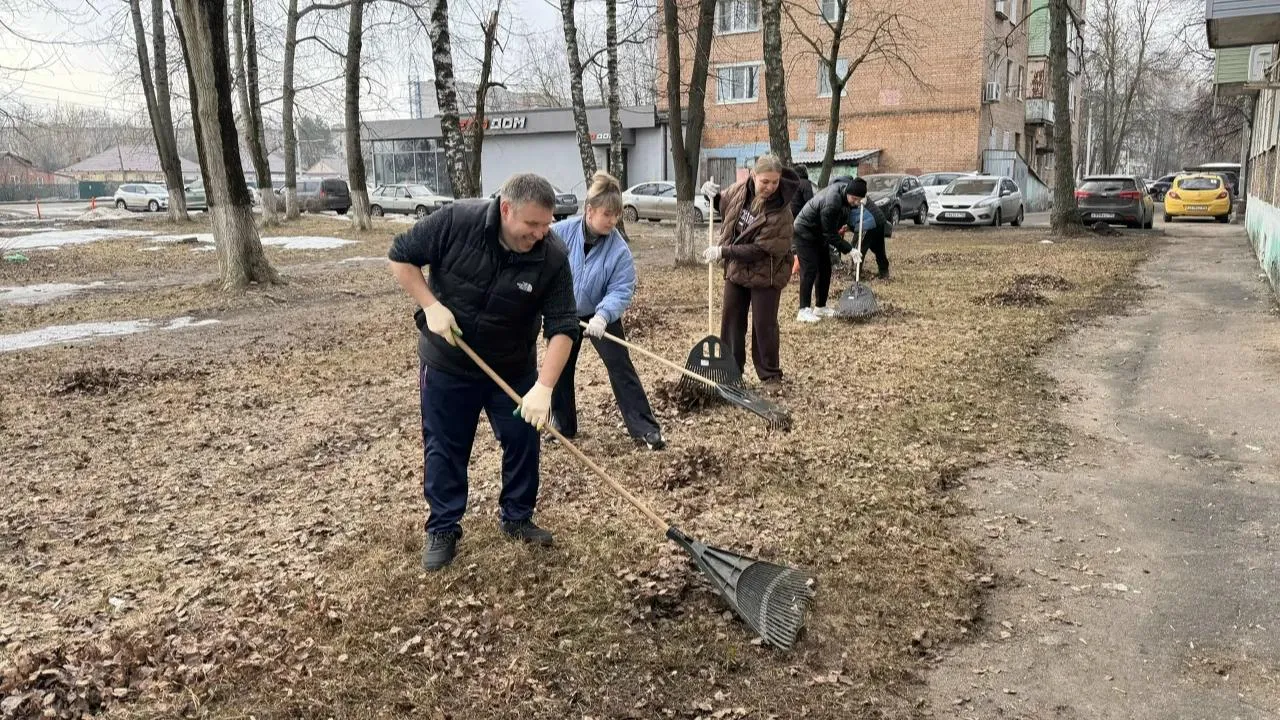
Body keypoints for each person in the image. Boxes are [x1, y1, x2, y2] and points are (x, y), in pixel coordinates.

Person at [389, 173, 579, 572]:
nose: (541, 234)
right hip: (447, 361)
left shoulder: (552, 257)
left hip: (511, 366)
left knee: (523, 438)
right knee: (445, 445)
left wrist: (544, 388)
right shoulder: (458, 221)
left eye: (547, 224)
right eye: (532, 225)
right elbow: (400, 254)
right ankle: (443, 526)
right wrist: (430, 305)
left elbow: (563, 327)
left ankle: (517, 517)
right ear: (506, 209)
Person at [549, 172, 666, 451]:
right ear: (589, 211)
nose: (613, 221)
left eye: (616, 215)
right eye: (607, 214)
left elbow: (621, 288)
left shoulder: (618, 250)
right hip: (566, 312)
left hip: (601, 314)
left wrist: (603, 315)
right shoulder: (561, 234)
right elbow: (544, 267)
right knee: (560, 367)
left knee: (620, 366)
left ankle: (645, 428)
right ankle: (563, 424)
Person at [698, 154, 799, 384]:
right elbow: (726, 208)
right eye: (765, 181)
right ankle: (730, 371)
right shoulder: (739, 191)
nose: (770, 187)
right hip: (737, 270)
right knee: (731, 320)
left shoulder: (782, 212)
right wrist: (712, 196)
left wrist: (723, 251)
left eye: (775, 182)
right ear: (753, 175)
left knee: (764, 326)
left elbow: (761, 249)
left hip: (767, 273)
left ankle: (770, 374)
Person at [791, 176, 880, 322]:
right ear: (848, 194)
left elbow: (838, 223)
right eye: (855, 199)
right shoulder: (832, 202)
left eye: (860, 200)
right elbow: (830, 234)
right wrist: (850, 249)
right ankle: (803, 310)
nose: (856, 203)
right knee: (810, 269)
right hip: (804, 231)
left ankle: (820, 306)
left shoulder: (847, 196)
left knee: (825, 268)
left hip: (819, 234)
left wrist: (849, 225)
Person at [843, 178, 891, 280]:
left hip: (867, 222)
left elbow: (850, 216)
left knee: (857, 248)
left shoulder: (850, 198)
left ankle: (854, 274)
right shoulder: (859, 193)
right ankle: (884, 272)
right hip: (880, 220)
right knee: (879, 248)